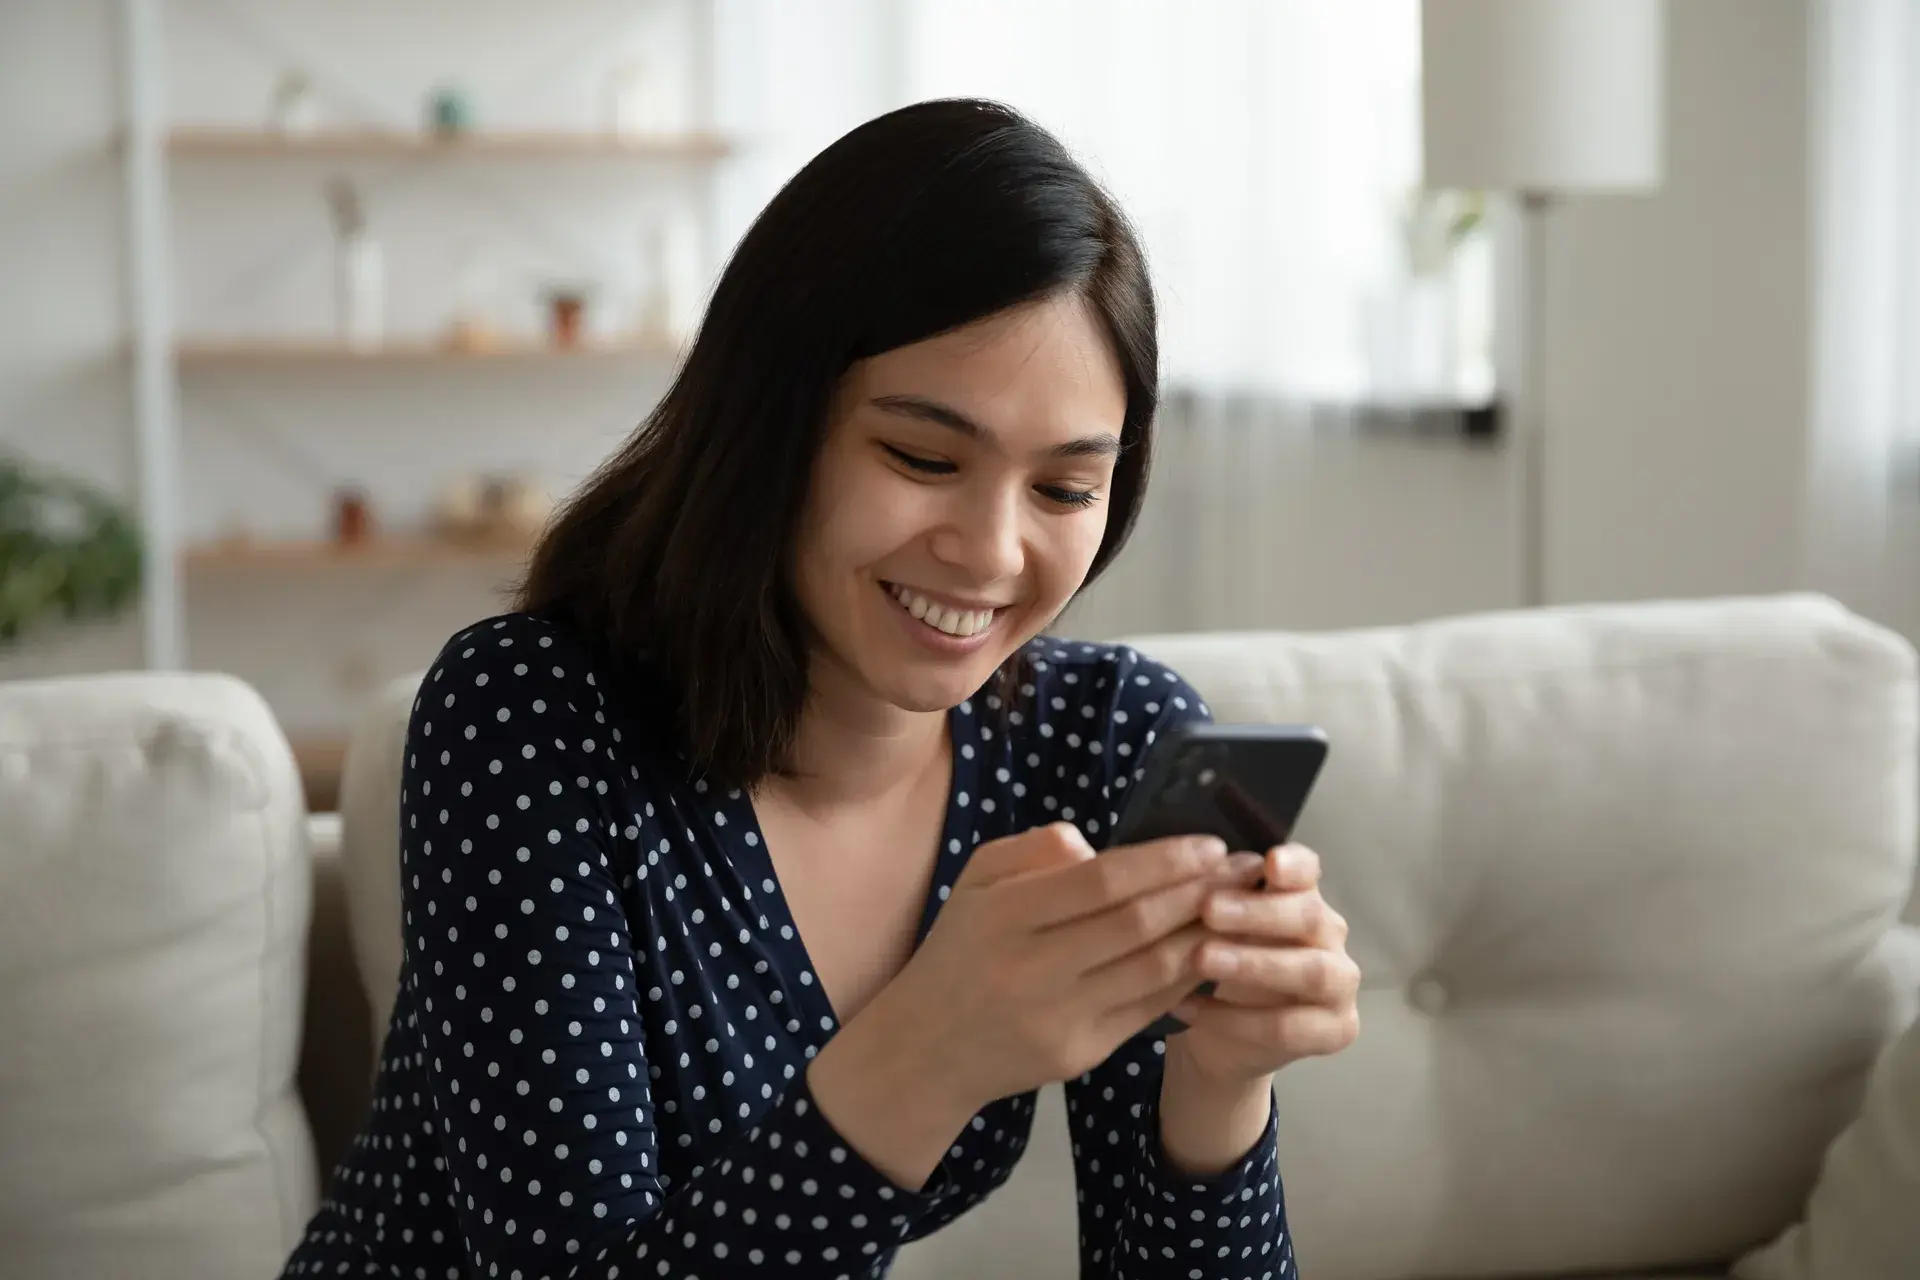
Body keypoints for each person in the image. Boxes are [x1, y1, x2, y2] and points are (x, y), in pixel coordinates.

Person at [280, 98, 1359, 1280]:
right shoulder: (532, 721)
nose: (994, 551)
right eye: (922, 457)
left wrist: (1221, 1082)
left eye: (1063, 489)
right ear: (771, 423)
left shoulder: (1098, 741)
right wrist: (928, 1051)